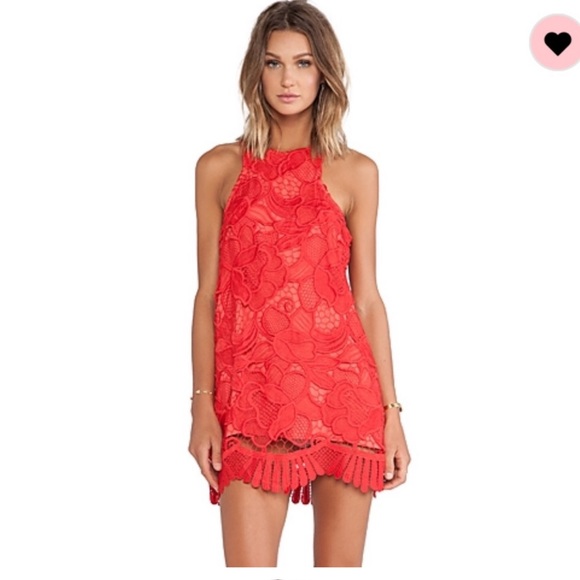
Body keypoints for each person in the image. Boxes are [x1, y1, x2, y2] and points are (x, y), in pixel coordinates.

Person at [188, 0, 410, 567]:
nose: (288, 79)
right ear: (255, 72)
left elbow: (367, 299)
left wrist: (391, 412)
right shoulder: (219, 168)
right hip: (252, 404)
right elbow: (208, 296)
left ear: (323, 73)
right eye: (274, 63)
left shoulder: (356, 172)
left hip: (344, 398)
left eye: (304, 63)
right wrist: (202, 407)